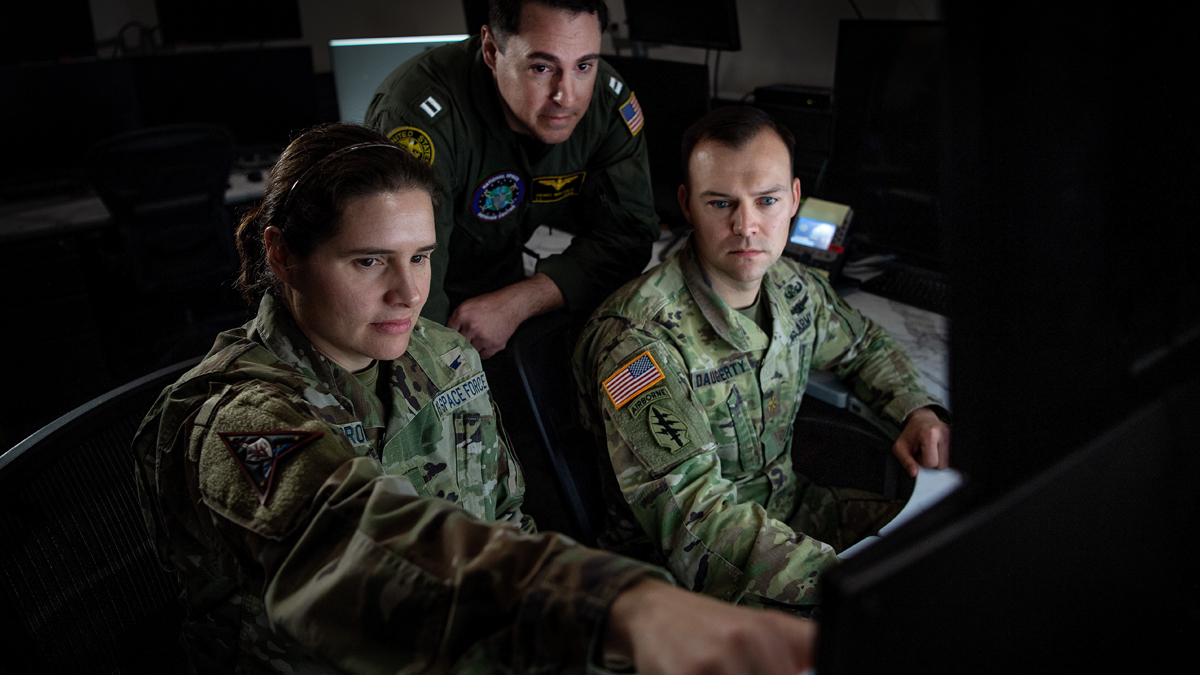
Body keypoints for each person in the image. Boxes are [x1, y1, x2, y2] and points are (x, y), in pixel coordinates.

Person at [132, 123, 818, 675]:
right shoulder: (234, 421)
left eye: (422, 256)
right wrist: (617, 609)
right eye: (369, 260)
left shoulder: (445, 355)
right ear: (283, 257)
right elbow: (356, 546)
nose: (409, 293)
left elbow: (505, 517)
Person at [573, 106, 952, 612]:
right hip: (681, 577)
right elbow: (695, 520)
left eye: (767, 201)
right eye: (721, 203)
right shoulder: (638, 340)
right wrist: (841, 584)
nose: (746, 226)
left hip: (790, 510)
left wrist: (915, 410)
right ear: (687, 204)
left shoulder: (795, 287)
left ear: (795, 199)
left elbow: (866, 347)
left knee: (952, 544)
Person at [365, 0, 659, 358]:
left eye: (584, 65)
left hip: (504, 293)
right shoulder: (420, 119)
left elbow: (628, 237)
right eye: (541, 67)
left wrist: (522, 300)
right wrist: (449, 369)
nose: (565, 96)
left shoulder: (607, 104)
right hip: (419, 307)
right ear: (492, 50)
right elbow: (404, 282)